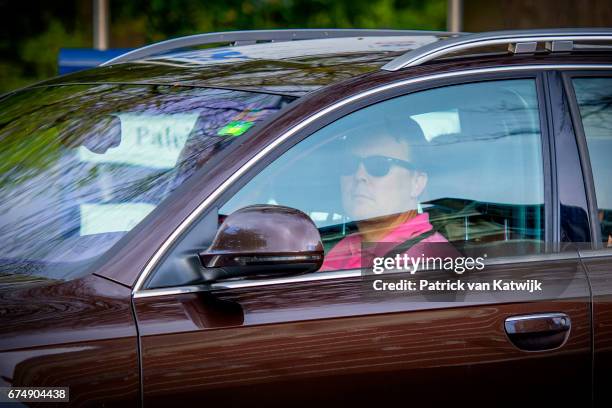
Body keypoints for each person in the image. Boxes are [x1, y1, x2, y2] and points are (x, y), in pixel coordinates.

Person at [320, 116, 457, 271]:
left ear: (417, 182)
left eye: (379, 165)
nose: (359, 175)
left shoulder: (430, 261)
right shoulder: (346, 246)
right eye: (349, 163)